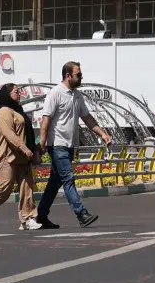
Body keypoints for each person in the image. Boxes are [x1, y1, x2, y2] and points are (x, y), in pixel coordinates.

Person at [35, 61, 112, 229]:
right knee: (68, 178)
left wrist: (103, 134)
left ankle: (40, 216)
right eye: (78, 75)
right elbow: (46, 119)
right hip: (57, 145)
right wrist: (42, 142)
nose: (81, 77)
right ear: (68, 76)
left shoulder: (77, 95)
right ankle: (81, 214)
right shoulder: (55, 93)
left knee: (55, 183)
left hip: (70, 146)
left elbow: (87, 118)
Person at [0, 83, 38, 231]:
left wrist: (33, 151)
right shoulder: (3, 112)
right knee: (5, 189)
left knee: (26, 188)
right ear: (7, 94)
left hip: (22, 157)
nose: (19, 94)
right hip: (7, 157)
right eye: (16, 92)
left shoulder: (18, 110)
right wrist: (24, 148)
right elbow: (9, 134)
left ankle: (27, 219)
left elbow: (27, 132)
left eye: (20, 91)